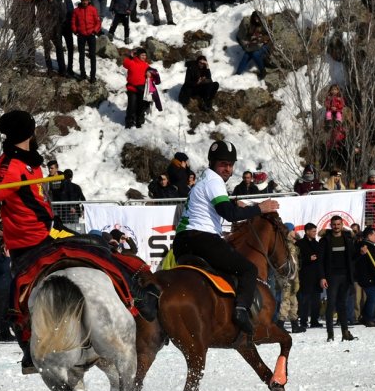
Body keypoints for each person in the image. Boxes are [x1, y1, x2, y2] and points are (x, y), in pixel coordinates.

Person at [0, 110, 55, 372]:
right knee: (19, 298)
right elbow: (0, 192)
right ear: (28, 131)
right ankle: (29, 349)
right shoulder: (10, 163)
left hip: (45, 230)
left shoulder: (32, 161)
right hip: (26, 239)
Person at [172, 140, 280, 334]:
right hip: (201, 239)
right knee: (248, 269)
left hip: (182, 243)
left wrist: (240, 207)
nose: (227, 169)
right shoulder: (214, 181)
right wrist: (259, 208)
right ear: (213, 163)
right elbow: (228, 214)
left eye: (230, 165)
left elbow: (222, 207)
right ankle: (240, 312)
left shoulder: (204, 180)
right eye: (223, 164)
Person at [317, 215, 357, 342]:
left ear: (342, 224)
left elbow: (353, 257)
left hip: (345, 276)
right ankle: (330, 334)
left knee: (342, 305)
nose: (336, 227)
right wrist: (322, 277)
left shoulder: (347, 239)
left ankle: (345, 332)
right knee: (331, 305)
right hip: (332, 276)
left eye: (338, 224)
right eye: (334, 224)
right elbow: (320, 261)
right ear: (330, 225)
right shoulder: (325, 240)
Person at [354, 226, 375, 327]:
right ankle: (368, 318)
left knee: (371, 298)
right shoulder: (368, 247)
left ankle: (364, 316)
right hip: (369, 277)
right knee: (372, 298)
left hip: (366, 277)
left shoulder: (365, 245)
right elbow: (374, 264)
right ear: (369, 235)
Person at [295, 222, 322, 331]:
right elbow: (296, 259)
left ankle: (314, 320)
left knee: (316, 300)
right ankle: (303, 321)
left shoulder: (317, 244)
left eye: (316, 231)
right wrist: (308, 259)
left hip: (316, 276)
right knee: (304, 300)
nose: (315, 233)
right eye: (313, 231)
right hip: (305, 276)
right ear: (307, 231)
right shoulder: (300, 244)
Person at [37, 0, 66, 75]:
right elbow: (39, 16)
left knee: (59, 49)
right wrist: (43, 27)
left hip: (55, 29)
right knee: (47, 49)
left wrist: (58, 28)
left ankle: (62, 69)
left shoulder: (58, 2)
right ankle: (49, 68)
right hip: (46, 29)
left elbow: (62, 16)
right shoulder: (42, 2)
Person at [72, 0, 100, 82]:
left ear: (89, 1)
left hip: (91, 34)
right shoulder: (76, 10)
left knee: (92, 55)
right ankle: (82, 74)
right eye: (83, 0)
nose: (85, 2)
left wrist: (95, 31)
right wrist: (75, 31)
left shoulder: (93, 9)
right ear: (81, 1)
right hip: (81, 35)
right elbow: (73, 22)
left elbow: (98, 22)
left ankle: (92, 76)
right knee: (81, 55)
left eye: (86, 0)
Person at [9, 0, 38, 72]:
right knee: (20, 46)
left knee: (31, 47)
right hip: (19, 28)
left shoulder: (31, 3)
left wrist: (32, 26)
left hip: (28, 28)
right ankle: (21, 65)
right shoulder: (18, 1)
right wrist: (17, 26)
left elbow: (33, 15)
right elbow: (13, 14)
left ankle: (31, 66)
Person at [235, 11, 269, 80]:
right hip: (254, 45)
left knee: (254, 54)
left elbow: (268, 36)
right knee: (247, 55)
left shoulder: (264, 24)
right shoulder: (251, 25)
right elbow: (245, 36)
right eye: (255, 18)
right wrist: (248, 41)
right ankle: (237, 74)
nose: (256, 20)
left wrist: (260, 39)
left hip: (265, 45)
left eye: (258, 18)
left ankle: (263, 71)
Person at [123, 47, 151, 128]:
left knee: (141, 106)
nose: (144, 57)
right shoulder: (131, 62)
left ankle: (140, 121)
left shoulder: (146, 65)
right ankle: (129, 123)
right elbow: (125, 64)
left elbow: (152, 76)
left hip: (142, 89)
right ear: (138, 55)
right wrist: (130, 56)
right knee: (131, 106)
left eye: (145, 55)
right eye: (142, 55)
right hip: (132, 89)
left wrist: (150, 75)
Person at [59, 0, 75, 78]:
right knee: (60, 48)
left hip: (68, 27)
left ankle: (70, 67)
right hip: (59, 27)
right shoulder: (57, 1)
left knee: (70, 48)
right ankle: (62, 68)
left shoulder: (69, 1)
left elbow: (72, 14)